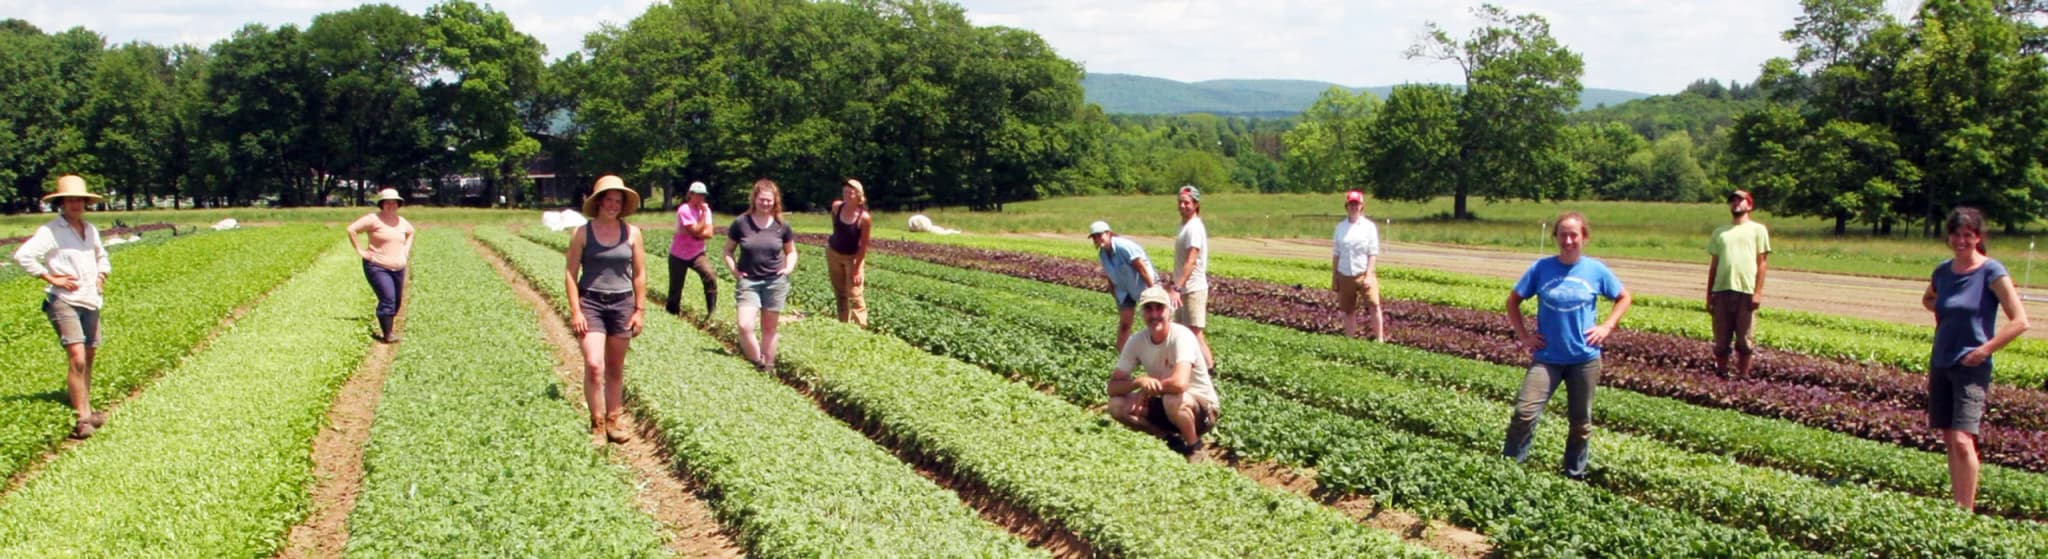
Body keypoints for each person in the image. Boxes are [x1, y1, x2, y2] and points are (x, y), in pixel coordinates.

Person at [1503, 212, 1632, 480]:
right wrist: (1525, 337)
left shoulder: (1596, 270)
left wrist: (1606, 327)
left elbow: (1623, 297)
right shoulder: (1541, 268)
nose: (1568, 240)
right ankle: (1509, 468)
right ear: (1556, 237)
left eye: (1574, 235)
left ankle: (1574, 475)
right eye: (1563, 234)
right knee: (1524, 413)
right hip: (1547, 358)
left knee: (1580, 423)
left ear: (1584, 237)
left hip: (1583, 359)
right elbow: (1513, 301)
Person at [1922, 207, 2030, 512]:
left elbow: (2020, 320)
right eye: (1956, 234)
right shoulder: (1943, 272)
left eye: (1967, 235)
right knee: (1948, 438)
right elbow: (1929, 299)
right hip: (1942, 360)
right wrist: (1946, 317)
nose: (1961, 240)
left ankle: (1966, 511)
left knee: (1962, 438)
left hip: (1972, 366)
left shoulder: (1991, 272)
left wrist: (1985, 349)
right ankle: (1957, 506)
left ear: (1978, 237)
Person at [13, 175, 112, 439]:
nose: (75, 204)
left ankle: (86, 407)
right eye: (70, 199)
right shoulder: (51, 231)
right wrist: (51, 277)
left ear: (85, 203)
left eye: (79, 199)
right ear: (61, 203)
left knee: (89, 355)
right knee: (77, 356)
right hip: (63, 300)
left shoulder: (89, 229)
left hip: (90, 298)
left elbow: (102, 256)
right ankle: (81, 419)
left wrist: (101, 276)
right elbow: (23, 256)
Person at [565, 176, 648, 445]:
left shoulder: (632, 233)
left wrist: (639, 309)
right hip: (591, 302)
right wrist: (576, 311)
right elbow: (570, 272)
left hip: (622, 304)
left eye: (618, 201)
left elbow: (639, 274)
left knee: (615, 368)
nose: (613, 205)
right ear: (599, 201)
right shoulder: (582, 233)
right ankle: (597, 422)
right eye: (609, 199)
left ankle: (613, 420)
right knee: (593, 364)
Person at [1107, 286, 1222, 463]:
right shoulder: (1136, 341)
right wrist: (1138, 382)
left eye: (1159, 308)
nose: (1154, 315)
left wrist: (1149, 389)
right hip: (1170, 408)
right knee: (1116, 405)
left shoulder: (1181, 336)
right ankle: (1169, 440)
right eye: (1148, 308)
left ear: (1169, 311)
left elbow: (1179, 384)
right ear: (1142, 313)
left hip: (1201, 409)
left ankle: (1195, 448)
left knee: (1171, 398)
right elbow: (1113, 387)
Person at [724, 178, 798, 372]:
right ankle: (758, 361)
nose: (765, 204)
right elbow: (728, 251)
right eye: (762, 199)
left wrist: (788, 268)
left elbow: (791, 251)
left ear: (775, 201)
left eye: (769, 200)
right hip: (749, 281)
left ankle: (768, 367)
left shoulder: (782, 226)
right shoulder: (741, 223)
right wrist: (735, 271)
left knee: (769, 329)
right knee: (744, 325)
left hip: (775, 282)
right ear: (754, 199)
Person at [1705, 190, 1770, 377]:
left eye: (1740, 201)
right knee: (1721, 340)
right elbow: (1714, 266)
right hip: (1722, 290)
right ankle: (1722, 374)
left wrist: (1758, 292)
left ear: (1749, 205)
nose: (1735, 204)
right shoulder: (1720, 232)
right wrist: (1709, 294)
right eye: (1733, 201)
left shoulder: (1758, 230)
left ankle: (1743, 376)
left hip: (1746, 290)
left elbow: (1762, 263)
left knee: (1744, 340)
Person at [347, 188, 414, 343]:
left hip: (398, 268)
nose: (391, 205)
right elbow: (351, 230)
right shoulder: (373, 219)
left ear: (398, 204)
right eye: (387, 202)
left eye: (394, 202)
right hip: (377, 266)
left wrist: (406, 250)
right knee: (388, 299)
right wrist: (360, 250)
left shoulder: (402, 222)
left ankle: (386, 322)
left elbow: (411, 232)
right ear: (382, 204)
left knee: (397, 302)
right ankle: (388, 335)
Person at [1090, 221, 1160, 349]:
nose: (1097, 239)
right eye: (1094, 237)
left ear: (1108, 233)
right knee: (1125, 324)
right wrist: (1113, 290)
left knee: (1154, 320)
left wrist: (1153, 290)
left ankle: (1159, 349)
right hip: (1124, 291)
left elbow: (1142, 268)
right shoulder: (1102, 253)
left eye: (1100, 235)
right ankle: (1122, 354)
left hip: (1142, 286)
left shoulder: (1123, 247)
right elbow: (1110, 273)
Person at [1168, 185, 1216, 371]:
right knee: (1182, 332)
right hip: (1184, 287)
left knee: (1194, 332)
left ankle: (1209, 369)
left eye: (1187, 202)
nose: (1182, 206)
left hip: (1193, 288)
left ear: (1196, 204)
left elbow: (1191, 261)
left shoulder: (1194, 227)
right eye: (1180, 202)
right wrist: (1172, 282)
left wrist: (1176, 288)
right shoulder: (1184, 226)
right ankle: (1189, 369)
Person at [1333, 190, 1384, 341]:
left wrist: (1369, 275)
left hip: (1363, 273)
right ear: (1346, 206)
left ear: (1362, 206)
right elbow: (1336, 253)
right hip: (1345, 273)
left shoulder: (1369, 227)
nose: (1354, 206)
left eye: (1357, 204)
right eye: (1351, 204)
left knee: (1374, 305)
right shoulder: (1340, 227)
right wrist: (1335, 276)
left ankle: (1380, 339)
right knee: (1348, 310)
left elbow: (1372, 253)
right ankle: (1350, 340)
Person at [667, 181, 718, 316]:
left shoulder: (707, 211)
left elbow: (709, 233)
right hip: (678, 254)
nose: (701, 198)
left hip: (697, 254)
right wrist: (701, 218)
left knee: (710, 276)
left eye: (703, 195)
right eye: (698, 195)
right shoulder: (684, 209)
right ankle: (672, 313)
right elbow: (695, 230)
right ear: (690, 194)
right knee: (676, 288)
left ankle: (712, 312)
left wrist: (697, 233)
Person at [826, 178, 872, 327]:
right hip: (833, 254)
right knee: (840, 292)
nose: (846, 194)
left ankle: (861, 326)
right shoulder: (836, 207)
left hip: (852, 258)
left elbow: (863, 246)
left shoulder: (864, 218)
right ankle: (843, 324)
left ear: (858, 195)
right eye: (845, 191)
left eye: (850, 192)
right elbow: (835, 225)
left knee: (855, 294)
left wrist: (857, 269)